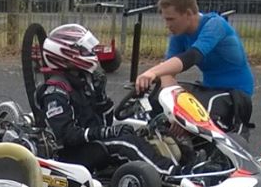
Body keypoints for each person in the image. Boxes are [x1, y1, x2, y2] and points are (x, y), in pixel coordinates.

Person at [34, 23, 174, 174]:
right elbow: (67, 136)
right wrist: (106, 132)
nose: (90, 53)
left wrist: (101, 97)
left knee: (141, 133)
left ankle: (178, 163)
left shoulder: (83, 80)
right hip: (72, 153)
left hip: (91, 143)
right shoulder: (55, 92)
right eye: (84, 50)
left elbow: (104, 121)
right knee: (127, 144)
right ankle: (171, 173)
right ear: (65, 56)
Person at [135, 0, 255, 134]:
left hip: (236, 93)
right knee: (157, 103)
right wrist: (173, 109)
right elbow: (167, 73)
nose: (167, 25)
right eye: (165, 20)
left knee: (194, 121)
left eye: (171, 19)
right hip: (209, 89)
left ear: (188, 13)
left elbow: (192, 56)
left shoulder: (215, 25)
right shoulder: (179, 34)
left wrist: (152, 72)